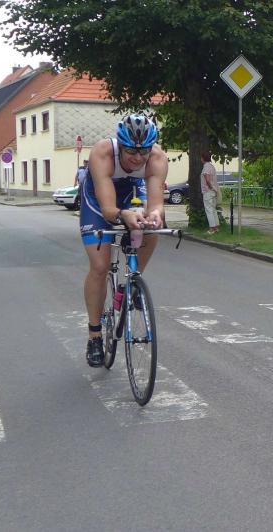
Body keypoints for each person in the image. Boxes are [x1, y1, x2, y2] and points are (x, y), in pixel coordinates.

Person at [79, 114, 167, 366]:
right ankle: (95, 335)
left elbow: (156, 204)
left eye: (144, 151)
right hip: (98, 201)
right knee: (100, 266)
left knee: (152, 229)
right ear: (121, 145)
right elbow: (109, 210)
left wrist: (155, 215)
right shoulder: (103, 153)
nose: (138, 158)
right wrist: (122, 215)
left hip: (131, 191)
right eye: (131, 151)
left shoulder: (157, 158)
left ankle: (132, 282)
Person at [200, 150, 219, 234]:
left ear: (203, 158)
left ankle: (212, 228)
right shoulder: (212, 166)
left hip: (208, 191)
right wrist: (213, 188)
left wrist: (210, 187)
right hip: (214, 191)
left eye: (201, 157)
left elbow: (207, 180)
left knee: (209, 209)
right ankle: (216, 227)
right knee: (213, 209)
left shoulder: (206, 167)